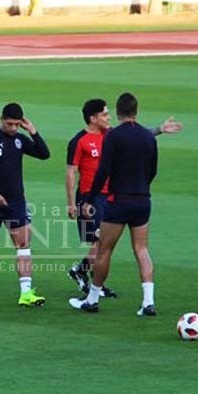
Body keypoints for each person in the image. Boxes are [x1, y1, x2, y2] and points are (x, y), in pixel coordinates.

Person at [66, 99, 182, 297]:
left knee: (102, 243)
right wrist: (71, 204)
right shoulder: (79, 140)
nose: (108, 117)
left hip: (111, 197)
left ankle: (83, 274)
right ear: (92, 118)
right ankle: (91, 284)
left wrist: (160, 129)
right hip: (88, 197)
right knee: (98, 242)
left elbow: (135, 136)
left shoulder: (111, 135)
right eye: (104, 114)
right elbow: (71, 172)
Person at [70, 93, 158, 316]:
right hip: (143, 199)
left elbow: (103, 171)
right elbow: (152, 170)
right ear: (136, 111)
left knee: (103, 249)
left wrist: (89, 199)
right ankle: (148, 302)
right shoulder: (148, 137)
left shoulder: (113, 136)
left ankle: (92, 299)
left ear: (118, 112)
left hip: (119, 200)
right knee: (142, 249)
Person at [0, 103, 50, 307]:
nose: (14, 128)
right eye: (10, 124)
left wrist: (33, 131)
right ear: (1, 119)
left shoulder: (19, 139)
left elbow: (44, 154)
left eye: (17, 124)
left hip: (16, 202)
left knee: (23, 244)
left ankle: (26, 293)